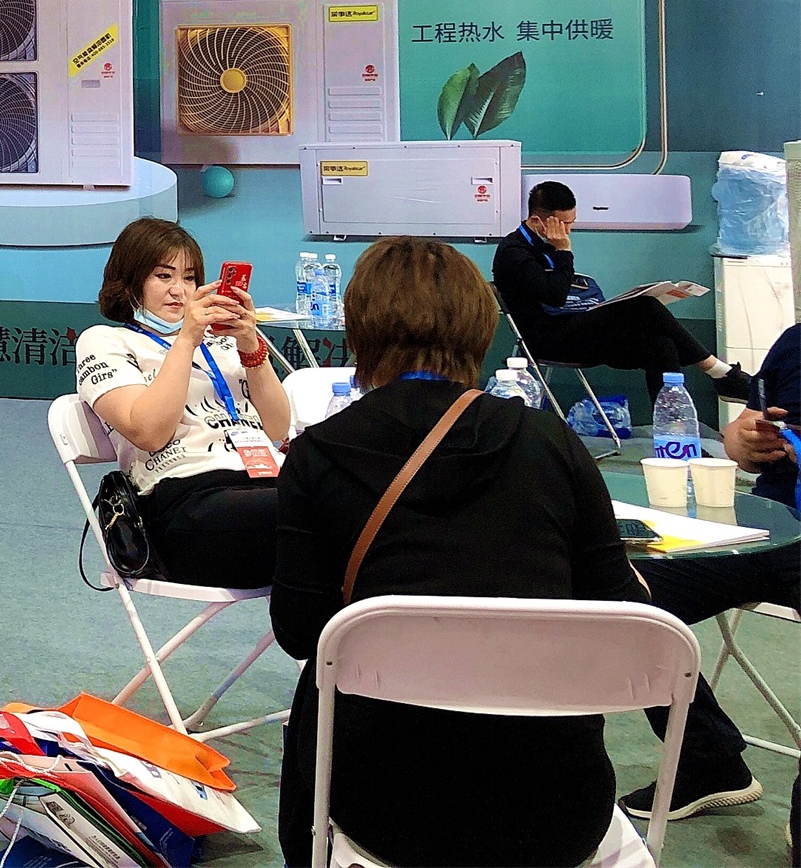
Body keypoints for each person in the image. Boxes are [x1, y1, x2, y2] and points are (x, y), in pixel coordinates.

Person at [273, 236, 644, 867]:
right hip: (558, 810)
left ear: (358, 328)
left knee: (325, 672)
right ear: (480, 325)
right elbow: (621, 611)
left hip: (388, 811)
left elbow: (301, 630)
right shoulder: (550, 440)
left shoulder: (318, 454)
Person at [624, 320, 798, 827]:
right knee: (614, 593)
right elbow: (741, 437)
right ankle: (708, 761)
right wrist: (746, 441)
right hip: (770, 529)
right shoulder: (794, 343)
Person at [74, 218, 290, 588]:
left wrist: (251, 346)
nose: (179, 291)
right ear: (130, 281)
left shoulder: (223, 344)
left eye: (189, 278)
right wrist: (187, 340)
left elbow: (277, 427)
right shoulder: (106, 342)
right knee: (323, 517)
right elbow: (150, 432)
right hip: (184, 502)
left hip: (267, 482)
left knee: (356, 511)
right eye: (164, 276)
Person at [495, 180, 751, 408]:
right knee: (645, 307)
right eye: (564, 225)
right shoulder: (514, 252)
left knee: (662, 346)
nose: (568, 232)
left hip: (575, 328)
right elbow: (555, 296)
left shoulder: (546, 244)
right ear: (537, 221)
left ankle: (671, 427)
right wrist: (563, 251)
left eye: (571, 223)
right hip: (547, 339)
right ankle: (721, 373)